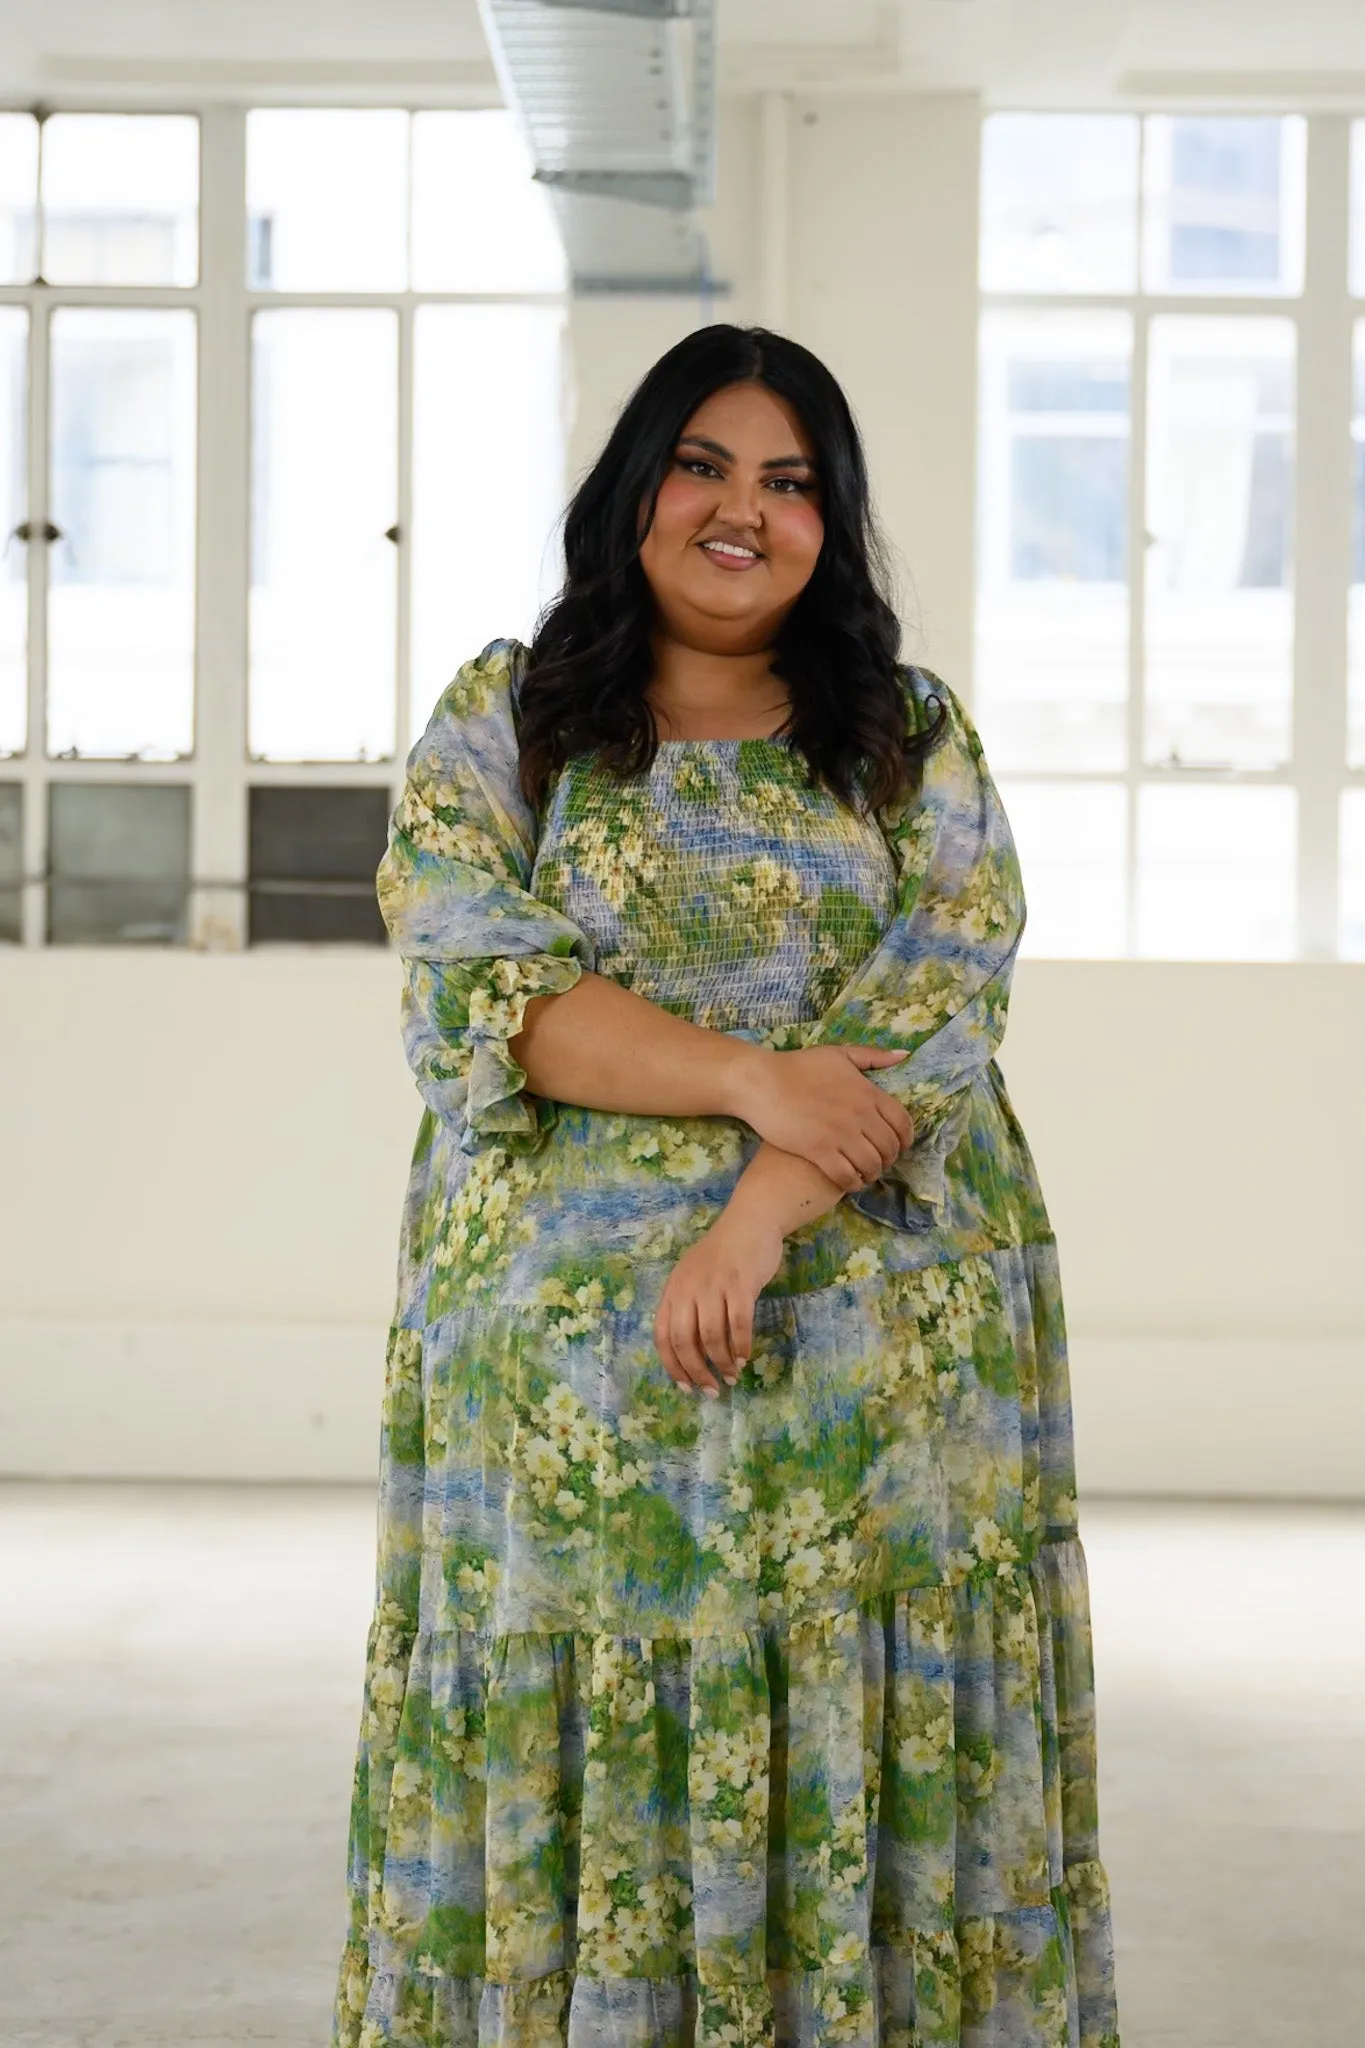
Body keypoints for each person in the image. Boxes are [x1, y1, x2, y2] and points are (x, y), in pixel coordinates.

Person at [332, 324, 1120, 2048]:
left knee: (860, 1700)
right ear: (634, 490)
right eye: (702, 464)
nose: (741, 510)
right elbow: (480, 982)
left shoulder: (906, 735)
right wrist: (756, 1078)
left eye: (790, 480)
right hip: (566, 1413)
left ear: (834, 521)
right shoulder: (510, 718)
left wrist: (759, 1211)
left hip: (874, 1398)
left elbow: (946, 987)